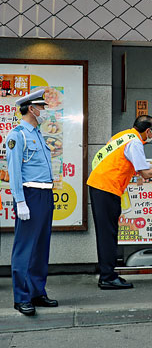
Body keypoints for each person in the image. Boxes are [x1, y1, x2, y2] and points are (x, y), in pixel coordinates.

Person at [87, 115, 152, 289]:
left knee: (107, 232)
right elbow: (144, 173)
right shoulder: (136, 142)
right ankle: (107, 277)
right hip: (107, 188)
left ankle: (109, 274)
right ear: (148, 131)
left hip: (99, 185)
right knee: (108, 234)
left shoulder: (123, 136)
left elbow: (137, 164)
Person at [6, 89, 58, 316]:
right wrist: (20, 201)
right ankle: (22, 297)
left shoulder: (37, 134)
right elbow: (15, 171)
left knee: (41, 246)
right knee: (25, 247)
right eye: (42, 107)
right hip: (30, 194)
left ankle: (37, 291)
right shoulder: (17, 135)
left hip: (45, 195)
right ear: (31, 108)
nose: (44, 112)